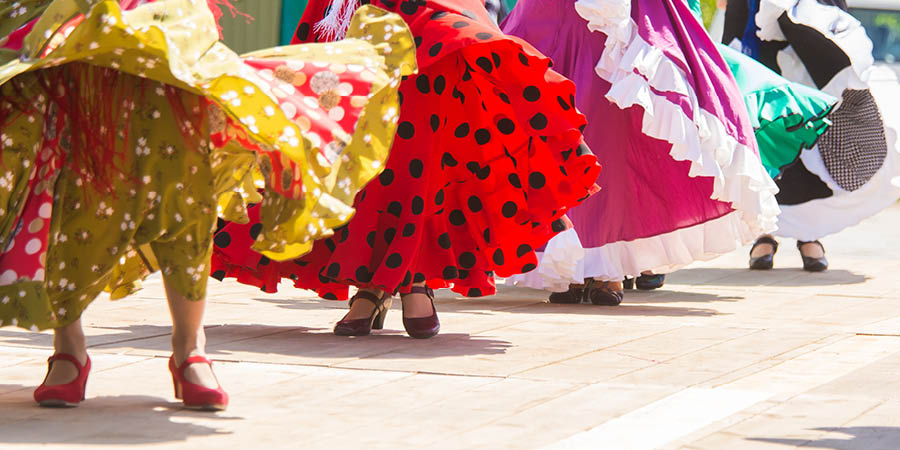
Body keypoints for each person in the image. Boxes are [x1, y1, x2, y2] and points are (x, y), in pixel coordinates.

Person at [0, 0, 413, 408]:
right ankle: (69, 347)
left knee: (183, 188)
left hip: (164, 24)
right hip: (75, 30)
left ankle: (189, 348)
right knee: (76, 190)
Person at [212, 0, 603, 338]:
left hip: (432, 20)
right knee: (357, 149)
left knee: (415, 150)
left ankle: (404, 279)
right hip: (355, 19)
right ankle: (378, 284)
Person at [501, 0, 780, 304]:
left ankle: (608, 270)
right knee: (553, 124)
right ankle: (571, 265)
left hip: (621, 15)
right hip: (554, 13)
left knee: (612, 131)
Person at [724, 0, 900, 271]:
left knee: (814, 125)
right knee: (763, 128)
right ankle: (764, 232)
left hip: (808, 23)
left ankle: (808, 235)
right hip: (752, 24)